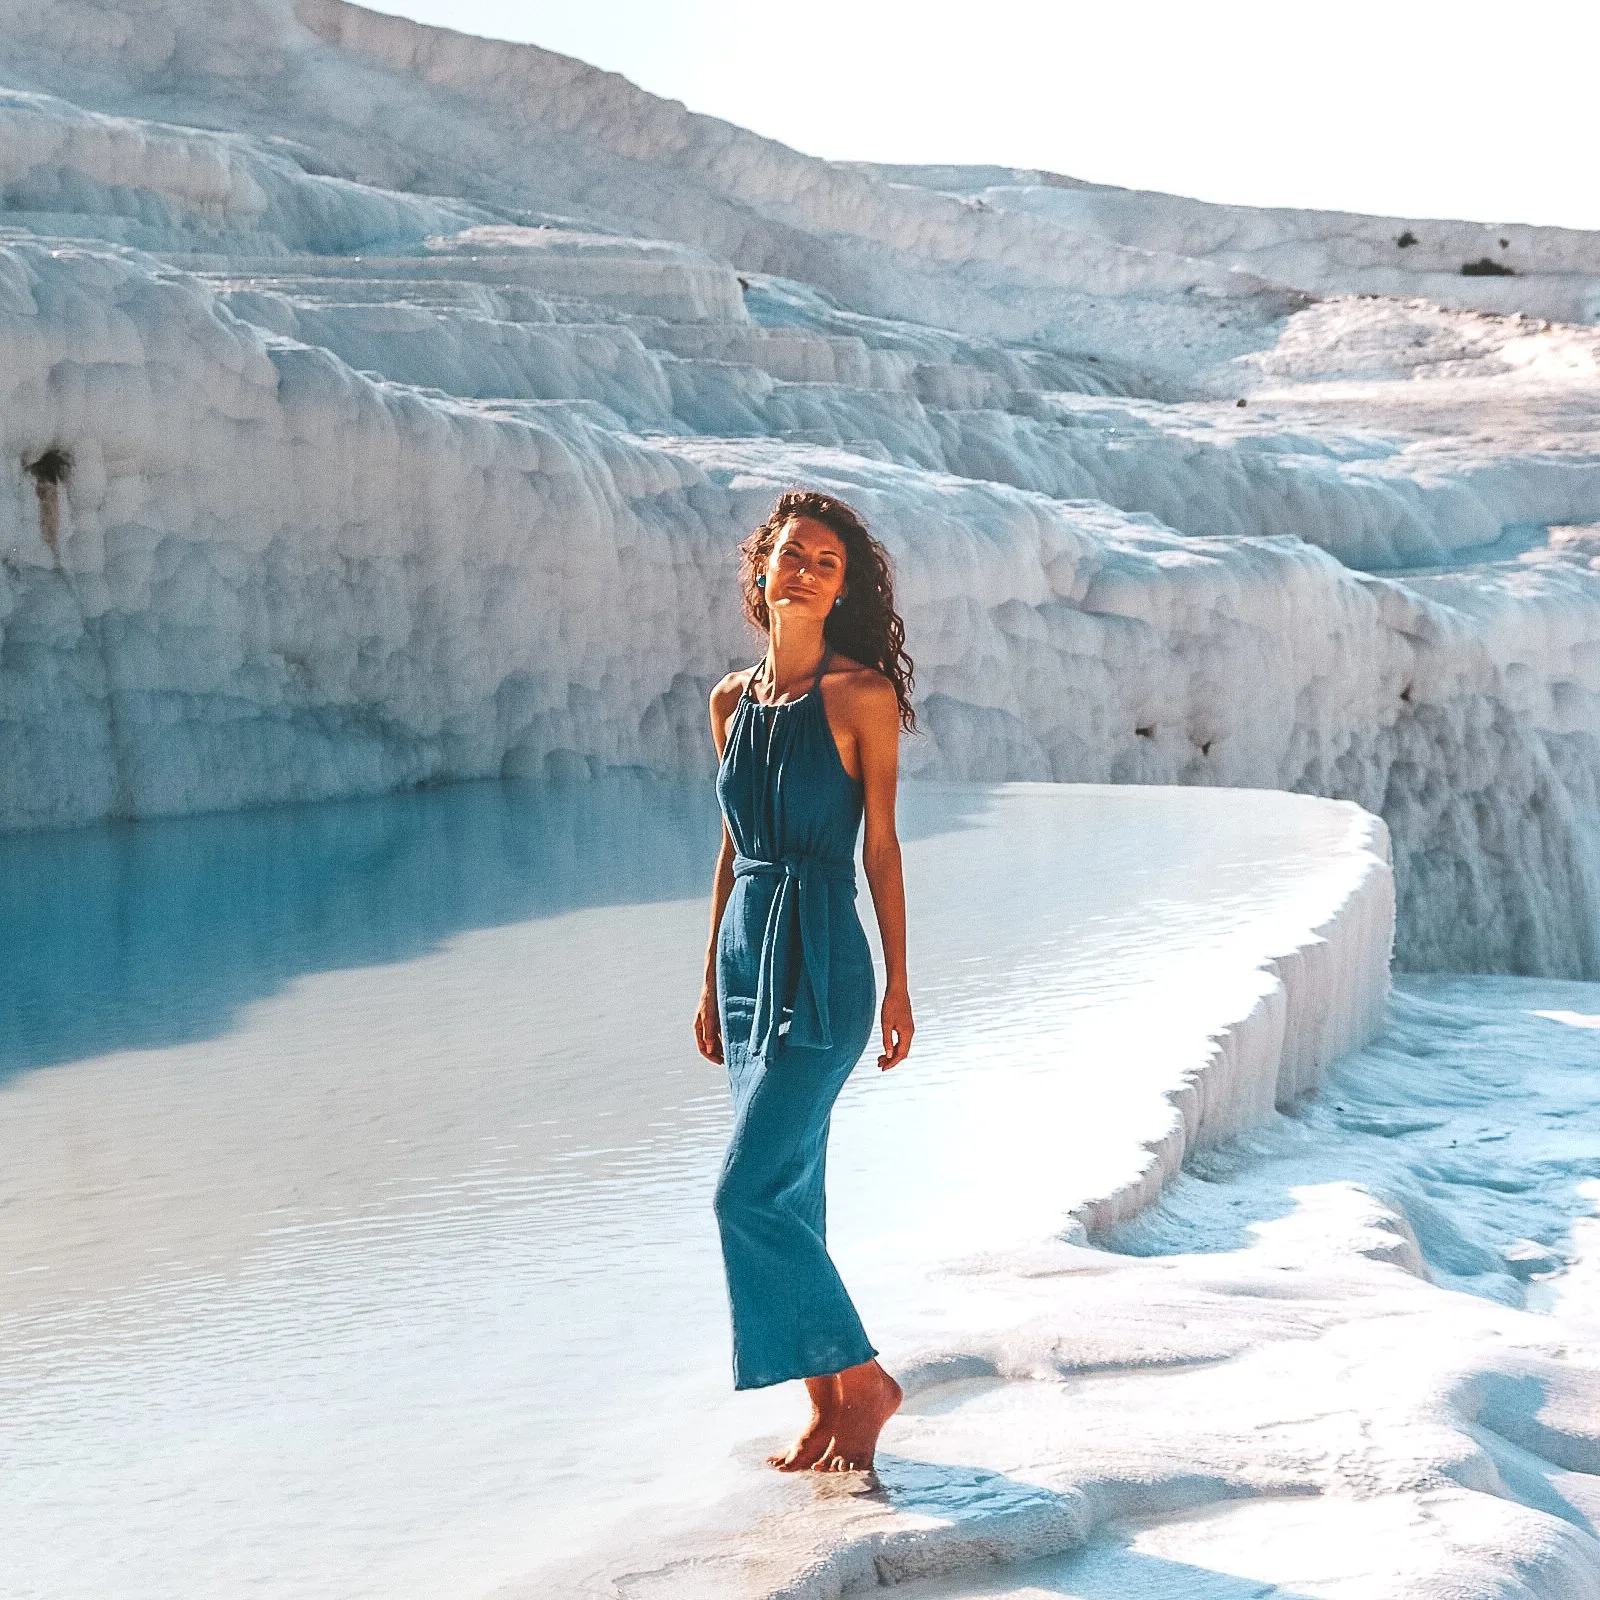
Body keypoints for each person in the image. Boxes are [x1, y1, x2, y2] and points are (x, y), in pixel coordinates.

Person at [694, 489, 917, 1474]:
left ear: (842, 588)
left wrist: (902, 982)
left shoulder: (860, 695)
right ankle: (827, 1405)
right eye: (793, 554)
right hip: (747, 956)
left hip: (825, 956)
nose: (806, 570)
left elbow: (881, 846)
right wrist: (709, 978)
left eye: (827, 562)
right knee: (792, 1186)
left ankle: (864, 1379)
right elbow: (731, 846)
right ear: (762, 570)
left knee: (742, 1194)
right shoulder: (729, 701)